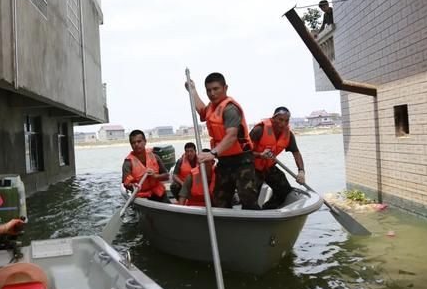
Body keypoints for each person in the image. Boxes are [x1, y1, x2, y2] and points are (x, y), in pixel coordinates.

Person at [186, 72, 260, 210]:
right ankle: (226, 227)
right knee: (219, 199)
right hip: (225, 161)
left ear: (225, 88)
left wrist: (212, 154)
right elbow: (202, 111)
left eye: (216, 89)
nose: (212, 93)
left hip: (242, 160)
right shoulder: (212, 107)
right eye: (208, 90)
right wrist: (193, 91)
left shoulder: (230, 109)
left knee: (247, 197)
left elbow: (231, 136)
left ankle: (257, 226)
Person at [250, 106, 306, 209]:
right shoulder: (259, 130)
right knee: (250, 199)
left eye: (286, 120)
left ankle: (267, 210)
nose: (283, 123)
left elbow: (296, 153)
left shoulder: (288, 135)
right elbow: (244, 153)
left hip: (269, 167)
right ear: (273, 118)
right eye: (280, 119)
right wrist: (260, 155)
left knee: (284, 190)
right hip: (253, 168)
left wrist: (301, 171)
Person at [122, 129, 170, 202]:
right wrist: (133, 186)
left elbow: (166, 176)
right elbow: (126, 184)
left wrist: (156, 176)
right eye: (133, 143)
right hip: (142, 197)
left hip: (159, 193)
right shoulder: (128, 163)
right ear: (131, 145)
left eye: (139, 141)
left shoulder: (155, 157)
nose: (136, 144)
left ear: (145, 142)